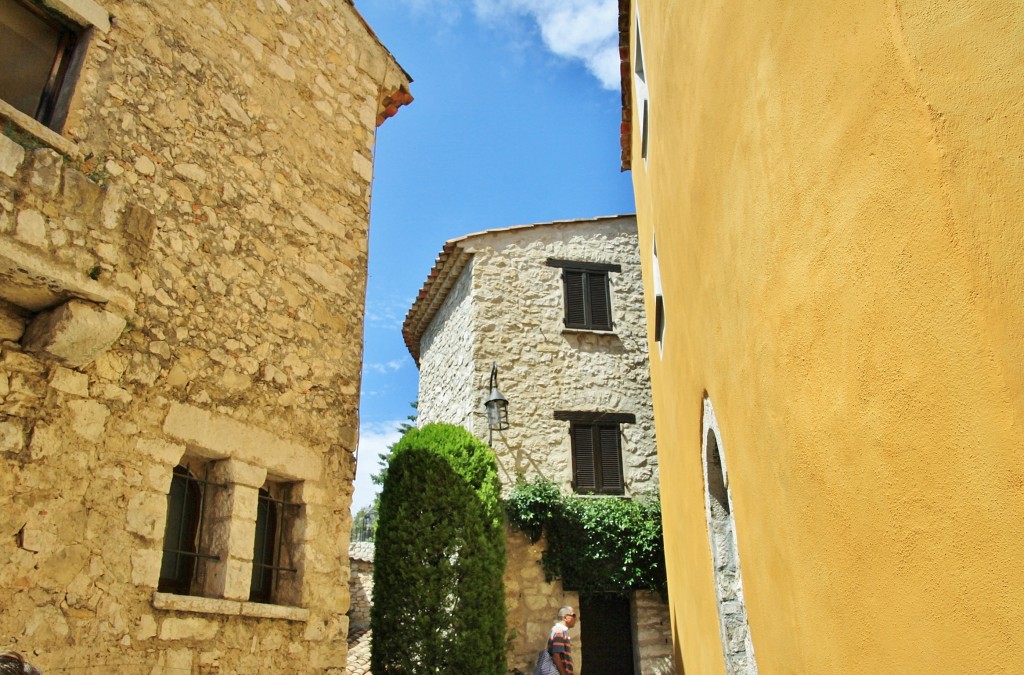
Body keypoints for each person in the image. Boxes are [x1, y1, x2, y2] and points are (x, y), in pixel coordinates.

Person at [548, 606, 578, 675]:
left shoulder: (560, 631)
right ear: (565, 617)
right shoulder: (559, 631)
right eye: (573, 615)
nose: (575, 618)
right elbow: (556, 656)